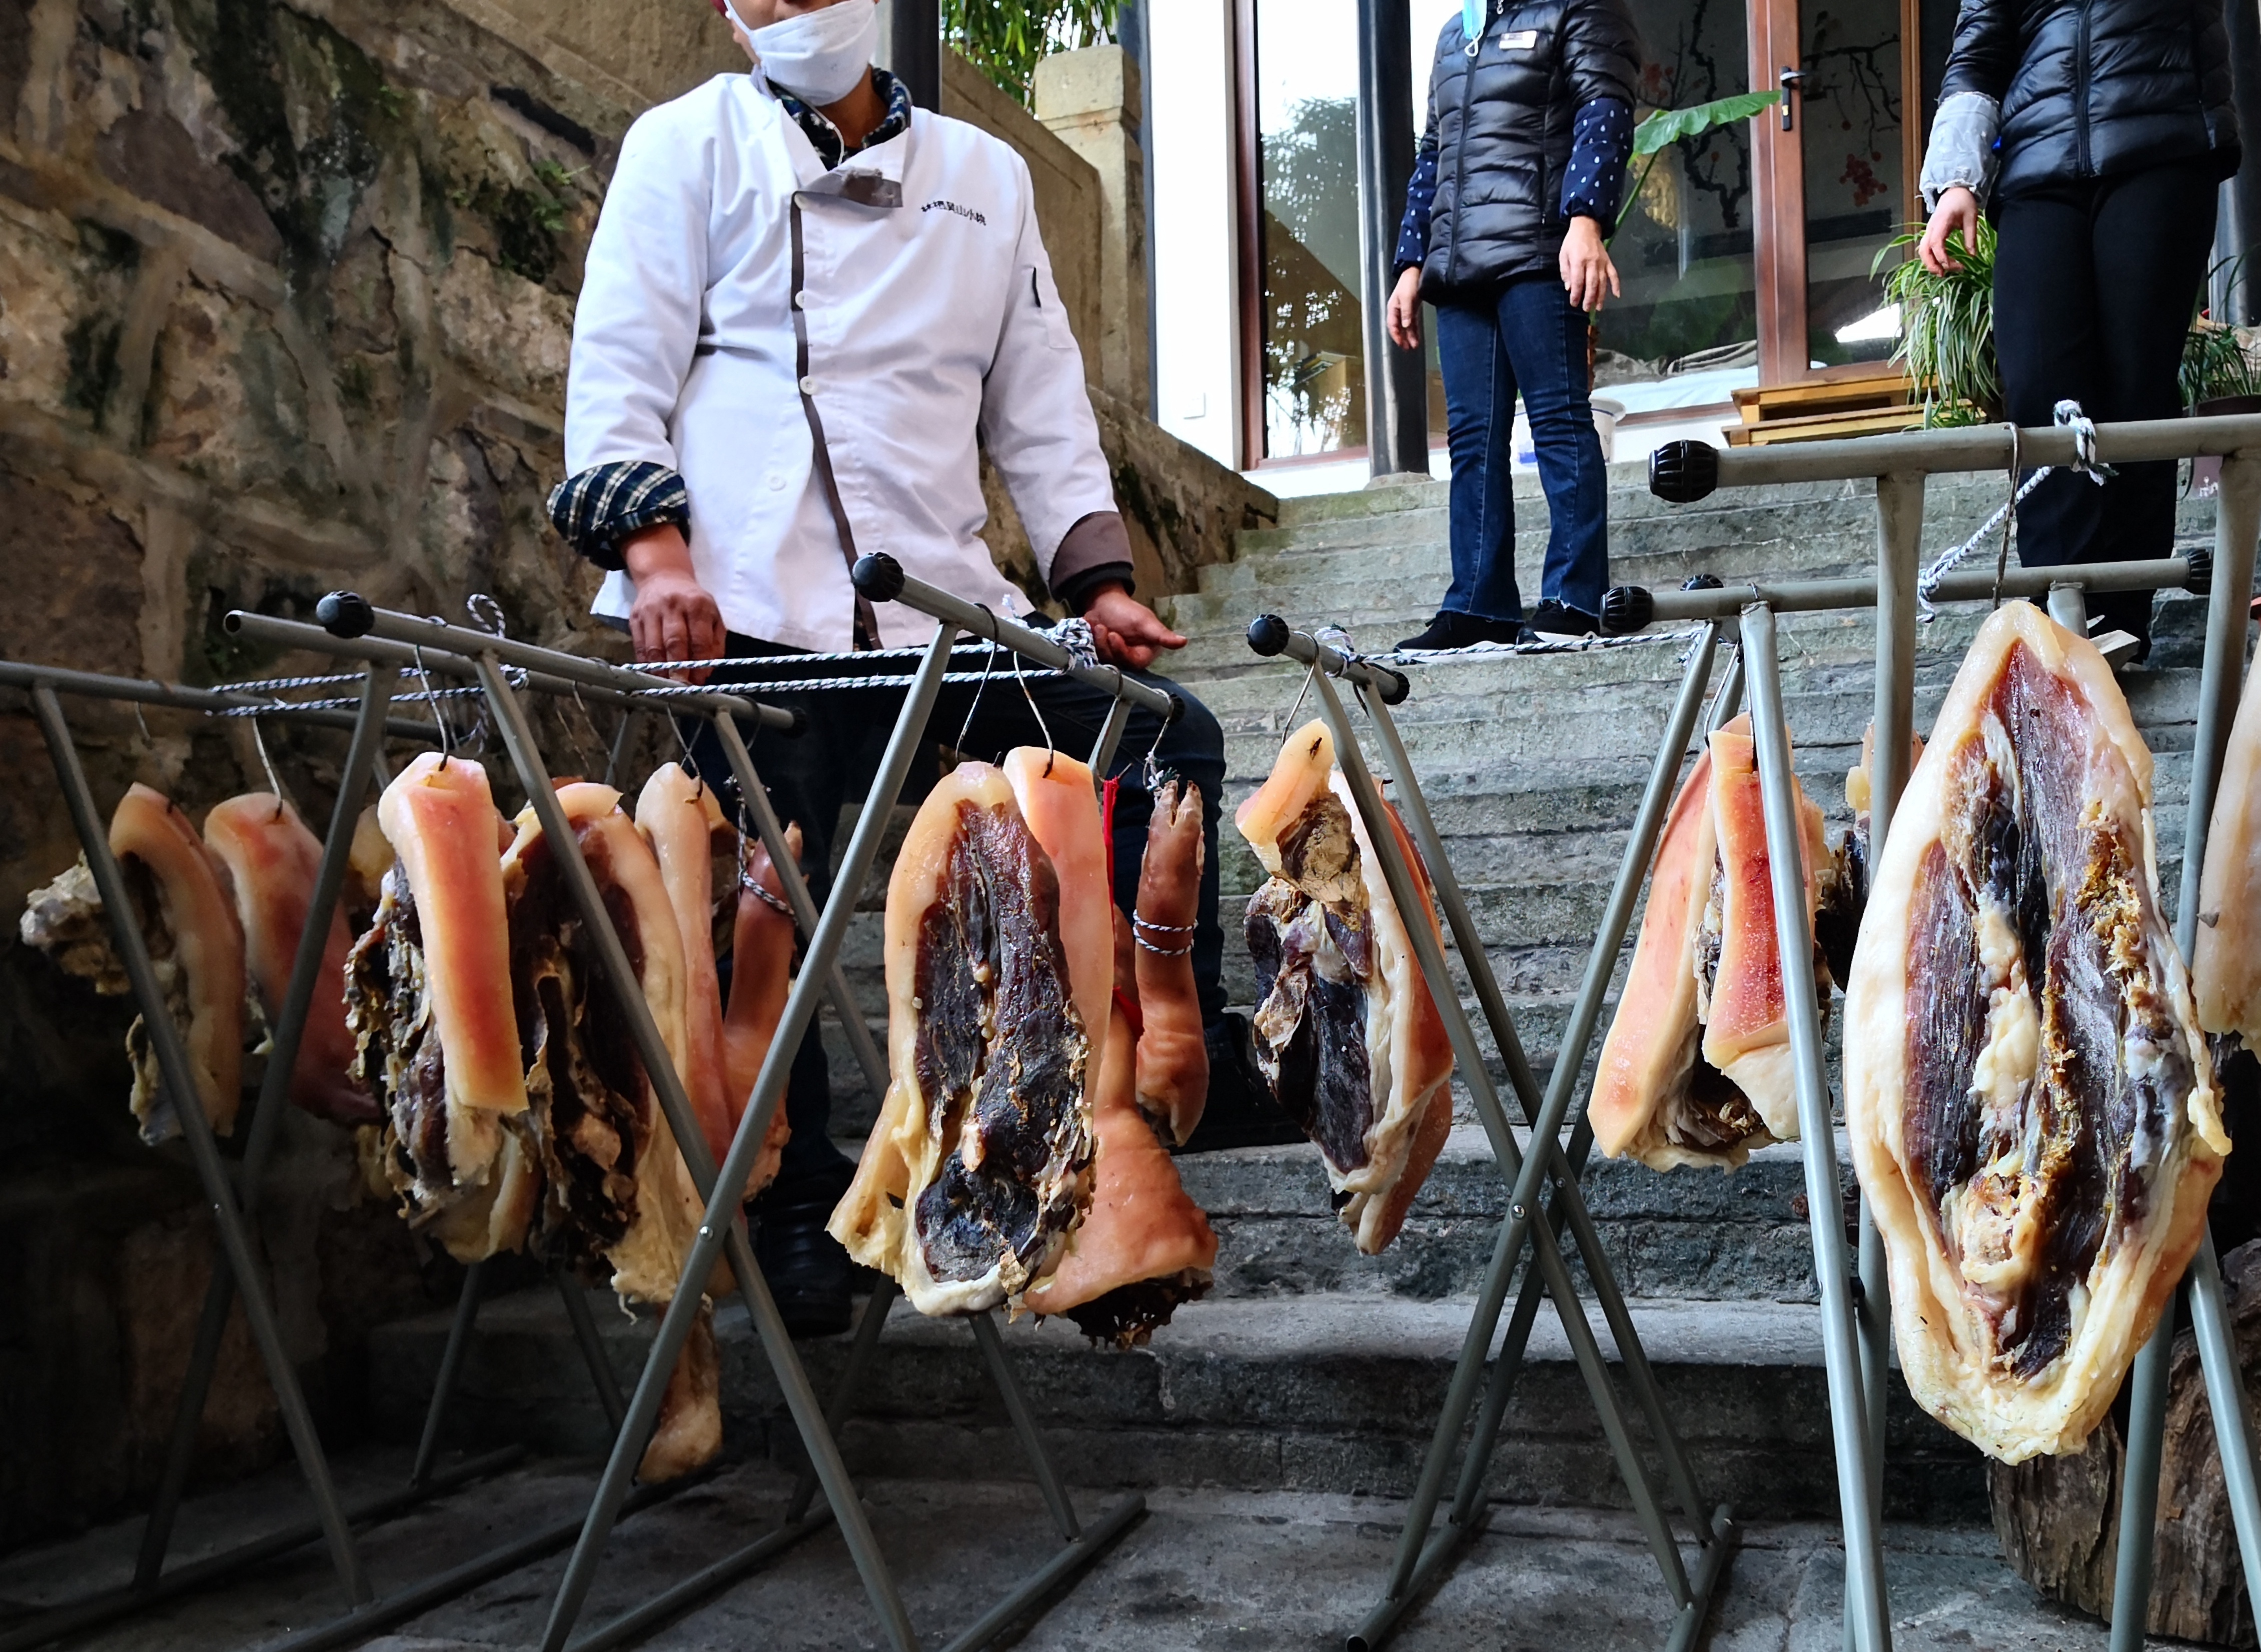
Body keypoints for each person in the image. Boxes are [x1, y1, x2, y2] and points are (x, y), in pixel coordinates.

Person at [550, 0, 1279, 1337]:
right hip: (751, 602)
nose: (784, 6)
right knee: (757, 911)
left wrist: (1098, 582)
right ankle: (786, 1197)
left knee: (1159, 739)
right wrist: (653, 553)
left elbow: (1042, 398)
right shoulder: (685, 145)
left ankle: (1161, 1053)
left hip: (940, 607)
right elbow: (620, 360)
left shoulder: (986, 178)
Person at [1916, 0, 2241, 651]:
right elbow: (1979, 48)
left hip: (2160, 140)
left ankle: (2121, 610)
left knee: (2134, 381)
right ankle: (2058, 608)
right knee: (2039, 384)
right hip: (2038, 166)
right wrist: (1958, 179)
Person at [1386, 0, 1640, 650]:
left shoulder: (1577, 10)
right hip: (1458, 265)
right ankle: (1479, 604)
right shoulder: (1454, 33)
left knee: (1558, 419)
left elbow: (1603, 109)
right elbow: (1433, 154)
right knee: (1471, 441)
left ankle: (1574, 598)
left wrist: (1586, 219)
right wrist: (1412, 262)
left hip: (1538, 248)